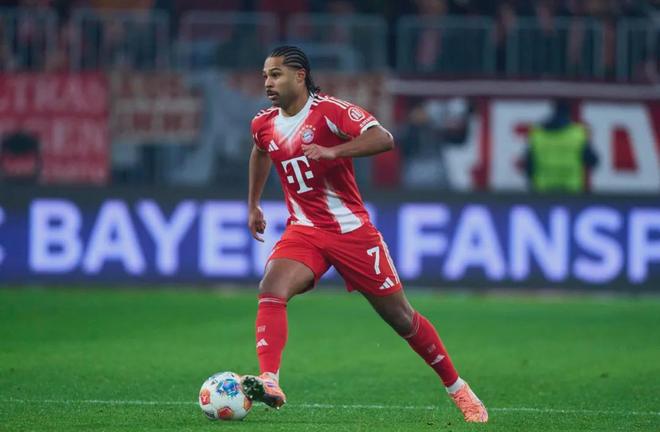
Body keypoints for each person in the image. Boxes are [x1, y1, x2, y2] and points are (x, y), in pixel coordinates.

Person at [241, 45, 488, 423]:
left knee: (402, 318)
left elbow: (383, 138)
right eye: (265, 76)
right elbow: (260, 151)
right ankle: (269, 380)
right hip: (305, 230)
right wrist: (254, 204)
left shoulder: (331, 111)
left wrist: (334, 152)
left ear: (300, 76)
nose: (268, 83)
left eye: (276, 75)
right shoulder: (263, 123)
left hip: (352, 233)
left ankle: (458, 388)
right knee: (271, 287)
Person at [525, 99, 598, 193]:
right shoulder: (578, 134)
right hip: (571, 190)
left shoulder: (537, 134)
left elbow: (528, 165)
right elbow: (593, 160)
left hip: (543, 191)